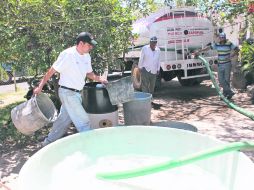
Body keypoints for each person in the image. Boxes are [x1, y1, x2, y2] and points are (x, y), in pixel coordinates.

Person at [33, 32, 108, 146]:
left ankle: (47, 143)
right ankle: (93, 147)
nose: (91, 47)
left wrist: (100, 79)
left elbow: (89, 73)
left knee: (63, 121)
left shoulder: (86, 56)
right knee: (83, 121)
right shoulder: (68, 55)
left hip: (77, 93)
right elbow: (51, 71)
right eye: (89, 45)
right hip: (67, 93)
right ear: (81, 43)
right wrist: (40, 86)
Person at [194, 32, 239, 99]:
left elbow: (237, 50)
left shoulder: (229, 43)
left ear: (225, 37)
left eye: (223, 37)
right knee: (221, 80)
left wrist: (230, 56)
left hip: (227, 64)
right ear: (219, 38)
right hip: (220, 64)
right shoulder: (217, 44)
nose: (222, 39)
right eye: (221, 37)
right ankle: (229, 91)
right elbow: (208, 48)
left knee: (226, 80)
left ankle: (225, 94)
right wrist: (200, 51)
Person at [138, 36, 161, 107]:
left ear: (156, 43)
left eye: (154, 42)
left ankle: (150, 99)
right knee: (145, 86)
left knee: (152, 87)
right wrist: (140, 67)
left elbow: (158, 60)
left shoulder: (158, 50)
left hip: (154, 71)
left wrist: (158, 69)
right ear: (150, 42)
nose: (153, 44)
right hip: (145, 69)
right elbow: (141, 58)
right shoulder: (145, 48)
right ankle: (145, 101)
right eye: (152, 42)